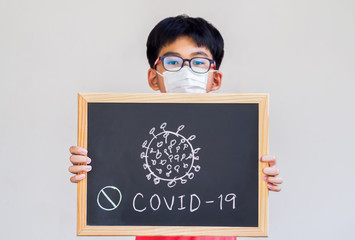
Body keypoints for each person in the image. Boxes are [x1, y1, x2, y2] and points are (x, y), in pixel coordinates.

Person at [68, 15, 283, 240]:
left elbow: (242, 193)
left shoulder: (235, 136)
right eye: (173, 62)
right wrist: (93, 170)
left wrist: (260, 181)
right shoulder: (131, 133)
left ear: (216, 80)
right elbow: (115, 186)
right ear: (154, 77)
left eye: (199, 62)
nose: (186, 70)